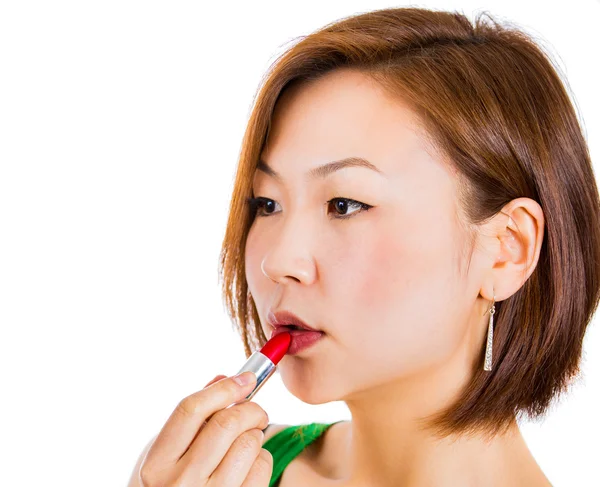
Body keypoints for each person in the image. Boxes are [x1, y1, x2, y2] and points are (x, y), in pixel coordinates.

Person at [128, 7, 600, 487]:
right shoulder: (207, 474)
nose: (278, 262)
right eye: (267, 204)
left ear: (506, 249)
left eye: (344, 204)